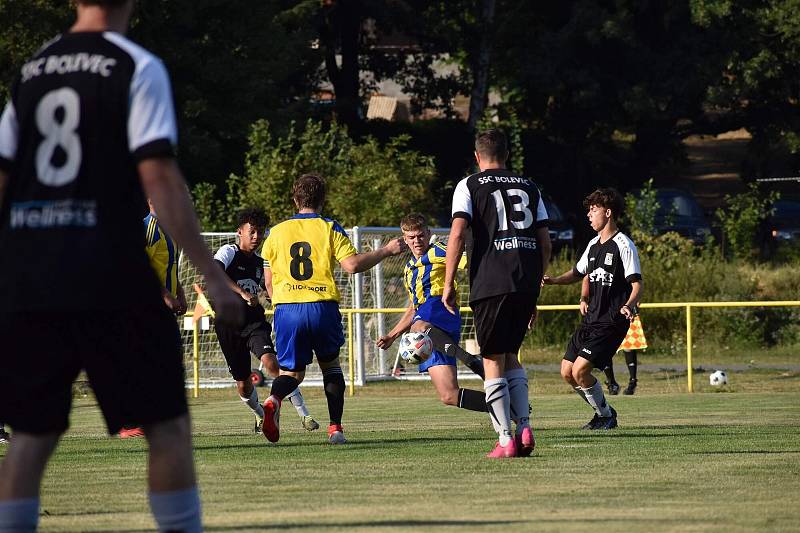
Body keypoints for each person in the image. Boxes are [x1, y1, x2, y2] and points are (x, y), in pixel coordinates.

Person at [0, 1, 243, 531]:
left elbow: (4, 176)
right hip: (109, 271)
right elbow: (158, 174)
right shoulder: (135, 65)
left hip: (33, 274)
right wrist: (211, 273)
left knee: (31, 434)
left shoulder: (32, 70)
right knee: (167, 428)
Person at [260, 174, 404, 444]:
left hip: (287, 309)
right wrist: (386, 250)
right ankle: (335, 429)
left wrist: (282, 301)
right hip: (321, 306)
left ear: (295, 199)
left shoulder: (275, 233)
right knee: (331, 367)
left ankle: (273, 399)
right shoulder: (329, 227)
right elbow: (352, 265)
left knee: (292, 373)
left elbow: (269, 282)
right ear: (323, 199)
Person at [443, 129, 551, 458]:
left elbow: (458, 233)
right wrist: (534, 284)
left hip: (491, 282)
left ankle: (505, 439)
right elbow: (545, 242)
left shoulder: (469, 185)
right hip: (524, 282)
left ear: (477, 157)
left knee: (491, 358)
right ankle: (525, 424)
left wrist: (449, 282)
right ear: (507, 154)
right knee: (510, 355)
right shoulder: (530, 186)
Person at [543, 188, 642, 430]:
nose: (589, 214)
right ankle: (604, 413)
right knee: (567, 372)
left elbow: (637, 284)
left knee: (580, 370)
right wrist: (554, 280)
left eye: (593, 209)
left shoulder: (623, 245)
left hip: (611, 321)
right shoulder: (593, 245)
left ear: (607, 213)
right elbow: (577, 273)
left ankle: (606, 415)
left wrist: (629, 305)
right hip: (591, 321)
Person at [213, 208, 317, 434]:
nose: (256, 237)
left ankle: (305, 415)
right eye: (251, 232)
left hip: (254, 324)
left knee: (272, 363)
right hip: (228, 326)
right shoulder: (229, 251)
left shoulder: (262, 263)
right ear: (239, 231)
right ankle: (261, 415)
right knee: (243, 384)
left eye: (260, 232)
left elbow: (269, 288)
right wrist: (241, 292)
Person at [376, 213, 487, 412]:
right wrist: (392, 335)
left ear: (428, 233)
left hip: (440, 307)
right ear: (404, 239)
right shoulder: (409, 269)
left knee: (418, 327)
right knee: (449, 395)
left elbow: (469, 261)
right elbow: (414, 308)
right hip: (430, 327)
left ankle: (471, 360)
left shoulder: (439, 250)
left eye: (420, 235)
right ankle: (507, 406)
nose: (417, 241)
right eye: (411, 237)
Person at [119, 198, 190, 440]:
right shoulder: (148, 228)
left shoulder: (169, 231)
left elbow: (168, 268)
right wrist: (165, 295)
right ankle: (128, 423)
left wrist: (179, 293)